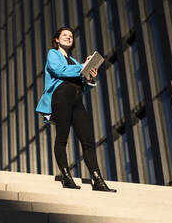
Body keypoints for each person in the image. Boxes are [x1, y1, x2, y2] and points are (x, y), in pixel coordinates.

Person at [36, 27, 116, 192]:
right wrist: (82, 66)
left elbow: (82, 86)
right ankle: (66, 177)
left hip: (77, 99)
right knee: (62, 137)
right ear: (57, 39)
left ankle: (98, 181)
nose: (68, 37)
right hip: (61, 96)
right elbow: (59, 71)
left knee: (87, 140)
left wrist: (90, 76)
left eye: (71, 36)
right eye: (65, 35)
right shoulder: (53, 54)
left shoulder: (74, 60)